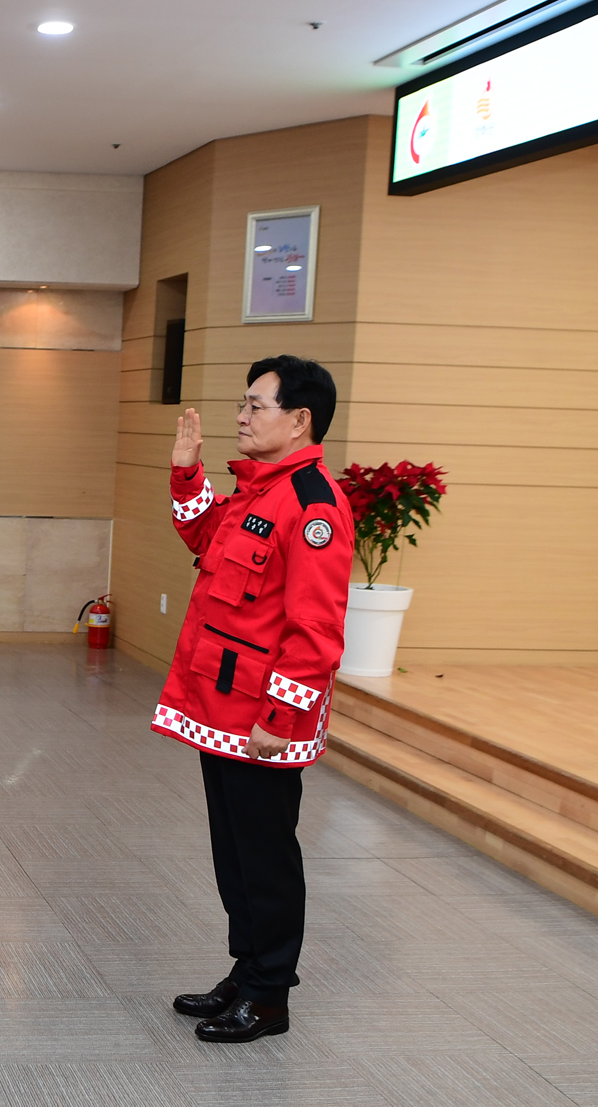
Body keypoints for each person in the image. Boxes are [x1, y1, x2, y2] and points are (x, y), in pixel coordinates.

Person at [158, 355, 351, 1043]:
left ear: (300, 420)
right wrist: (187, 472)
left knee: (266, 860)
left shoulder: (312, 505)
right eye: (243, 404)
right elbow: (202, 534)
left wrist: (282, 715)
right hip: (222, 704)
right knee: (234, 854)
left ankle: (270, 994)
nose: (241, 416)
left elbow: (318, 627)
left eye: (256, 406)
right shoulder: (256, 489)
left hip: (262, 720)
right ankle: (245, 971)